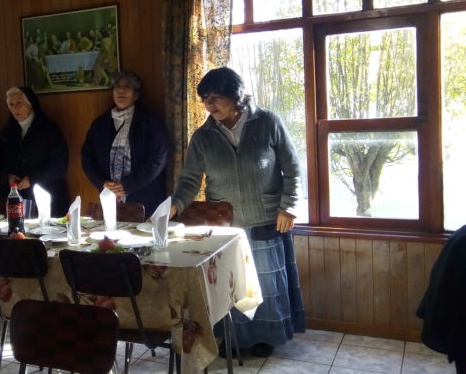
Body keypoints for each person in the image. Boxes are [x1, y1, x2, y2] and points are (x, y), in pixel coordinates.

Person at [170, 67, 305, 357]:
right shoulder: (203, 136)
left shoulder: (268, 122)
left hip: (266, 219)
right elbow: (190, 180)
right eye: (205, 98)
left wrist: (289, 206)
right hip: (225, 225)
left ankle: (263, 340)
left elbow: (292, 169)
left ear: (236, 96)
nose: (209, 104)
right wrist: (174, 206)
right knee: (230, 285)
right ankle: (233, 339)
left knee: (266, 284)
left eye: (216, 97)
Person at [81, 71, 169, 216]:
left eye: (127, 87)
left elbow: (158, 159)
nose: (121, 90)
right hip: (109, 196)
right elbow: (87, 157)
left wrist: (129, 185)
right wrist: (101, 182)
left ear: (136, 95)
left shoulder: (150, 122)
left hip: (145, 196)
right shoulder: (100, 123)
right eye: (117, 86)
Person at [0, 87, 69, 216]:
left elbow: (60, 163)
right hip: (17, 199)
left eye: (19, 103)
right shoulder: (7, 132)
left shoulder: (48, 128)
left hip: (48, 195)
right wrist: (7, 177)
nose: (15, 108)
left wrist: (32, 179)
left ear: (30, 104)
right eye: (11, 105)